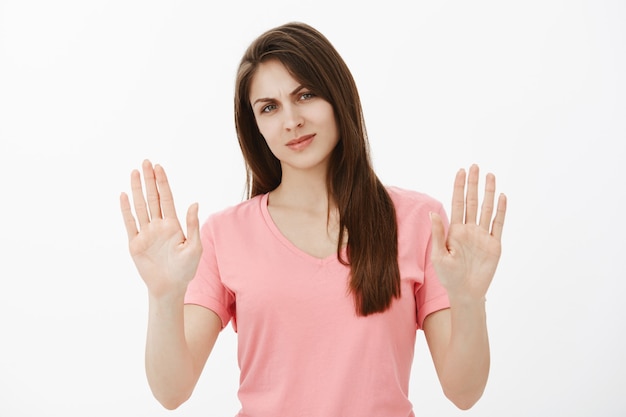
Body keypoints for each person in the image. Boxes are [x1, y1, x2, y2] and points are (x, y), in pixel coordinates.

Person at [120, 22, 507, 416]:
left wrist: (469, 300)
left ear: (338, 96)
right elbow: (172, 391)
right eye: (269, 107)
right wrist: (164, 297)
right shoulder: (225, 234)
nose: (291, 120)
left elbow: (464, 392)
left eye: (305, 95)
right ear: (255, 126)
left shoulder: (418, 222)